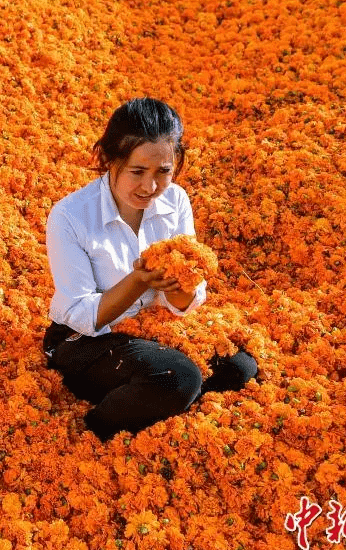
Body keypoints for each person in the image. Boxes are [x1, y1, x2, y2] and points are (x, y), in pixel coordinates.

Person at [43, 97, 257, 441]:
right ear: (110, 160)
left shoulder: (176, 202)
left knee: (240, 367)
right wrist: (139, 280)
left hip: (152, 331)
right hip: (85, 340)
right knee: (179, 377)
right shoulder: (70, 216)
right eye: (138, 172)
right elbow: (79, 313)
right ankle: (96, 429)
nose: (150, 187)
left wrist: (177, 281)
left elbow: (187, 300)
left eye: (164, 172)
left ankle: (153, 398)